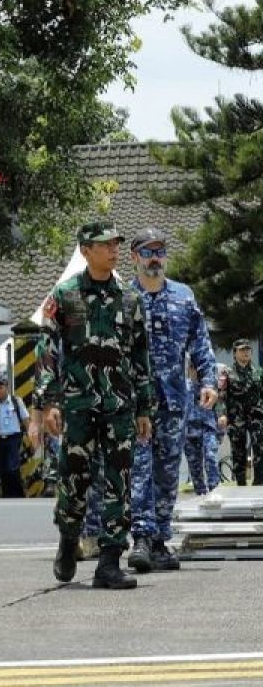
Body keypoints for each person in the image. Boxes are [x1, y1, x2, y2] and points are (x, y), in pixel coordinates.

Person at [38, 221, 152, 590]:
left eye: (116, 244)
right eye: (105, 245)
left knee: (119, 482)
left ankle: (109, 561)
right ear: (86, 250)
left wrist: (143, 409)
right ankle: (69, 540)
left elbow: (139, 357)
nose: (113, 250)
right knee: (74, 480)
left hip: (119, 405)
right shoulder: (65, 295)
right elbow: (48, 352)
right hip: (77, 405)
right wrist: (49, 402)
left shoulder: (130, 298)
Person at [123, 228, 218, 574]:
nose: (154, 259)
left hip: (176, 400)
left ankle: (160, 539)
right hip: (136, 403)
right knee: (140, 468)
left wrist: (208, 381)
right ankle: (142, 538)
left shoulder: (183, 296)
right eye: (147, 252)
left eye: (160, 252)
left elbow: (200, 343)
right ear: (134, 257)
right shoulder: (123, 299)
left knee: (167, 471)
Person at [221, 339, 263, 487]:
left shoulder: (258, 371)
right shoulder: (227, 373)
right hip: (236, 417)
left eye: (248, 349)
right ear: (234, 353)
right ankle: (241, 484)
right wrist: (222, 414)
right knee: (238, 451)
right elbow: (222, 396)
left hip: (257, 417)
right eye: (242, 350)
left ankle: (259, 483)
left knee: (260, 448)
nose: (246, 352)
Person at [184, 363, 226, 497]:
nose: (196, 371)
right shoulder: (183, 387)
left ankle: (215, 490)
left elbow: (220, 407)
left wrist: (221, 427)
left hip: (208, 428)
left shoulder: (210, 387)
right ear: (190, 370)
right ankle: (200, 494)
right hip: (190, 431)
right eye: (193, 368)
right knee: (194, 466)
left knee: (210, 457)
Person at [0, 376, 28, 498]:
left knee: (12, 468)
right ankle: (7, 496)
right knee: (2, 470)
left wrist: (31, 435)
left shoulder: (16, 401)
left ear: (7, 388)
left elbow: (25, 419)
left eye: (1, 387)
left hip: (13, 438)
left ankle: (18, 495)